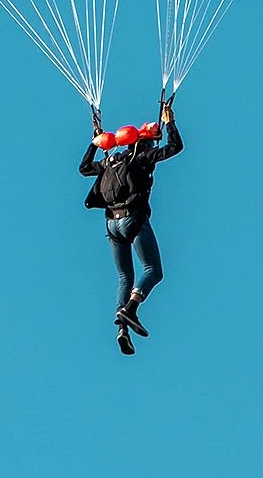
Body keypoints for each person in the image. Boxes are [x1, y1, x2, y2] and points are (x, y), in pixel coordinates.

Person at [79, 98, 183, 355]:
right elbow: (175, 147)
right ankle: (130, 309)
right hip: (132, 220)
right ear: (144, 143)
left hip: (111, 225)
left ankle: (122, 330)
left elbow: (83, 169)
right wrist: (170, 122)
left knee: (125, 277)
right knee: (153, 271)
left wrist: (94, 142)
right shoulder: (143, 157)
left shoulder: (111, 161)